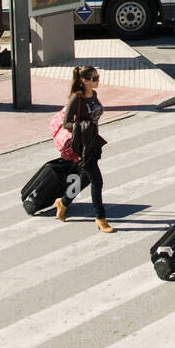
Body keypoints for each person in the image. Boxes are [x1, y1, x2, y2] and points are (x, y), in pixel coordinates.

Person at [54, 66, 113, 233]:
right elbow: (66, 123)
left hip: (93, 141)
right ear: (84, 81)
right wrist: (81, 126)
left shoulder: (93, 95)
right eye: (94, 78)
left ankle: (63, 202)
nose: (97, 81)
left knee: (85, 179)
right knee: (97, 181)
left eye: (98, 77)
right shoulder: (76, 99)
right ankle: (100, 218)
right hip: (82, 145)